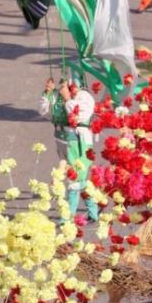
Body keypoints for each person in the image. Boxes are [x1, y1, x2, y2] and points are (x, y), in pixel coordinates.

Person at [39, 75, 99, 222]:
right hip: (61, 139)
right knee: (80, 179)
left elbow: (79, 116)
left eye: (68, 82)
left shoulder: (85, 97)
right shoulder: (60, 95)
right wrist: (47, 93)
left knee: (75, 178)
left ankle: (67, 217)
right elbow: (44, 111)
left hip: (78, 141)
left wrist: (67, 98)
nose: (64, 85)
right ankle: (93, 211)